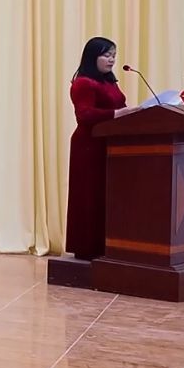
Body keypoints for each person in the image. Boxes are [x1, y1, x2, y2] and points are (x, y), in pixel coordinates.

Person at [65, 37, 132, 259]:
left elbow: (120, 106)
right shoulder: (83, 83)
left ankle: (108, 246)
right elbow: (85, 114)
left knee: (106, 196)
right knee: (89, 196)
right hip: (89, 147)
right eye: (106, 55)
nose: (111, 60)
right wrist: (118, 114)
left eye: (114, 55)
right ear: (92, 56)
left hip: (110, 145)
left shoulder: (109, 82)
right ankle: (87, 248)